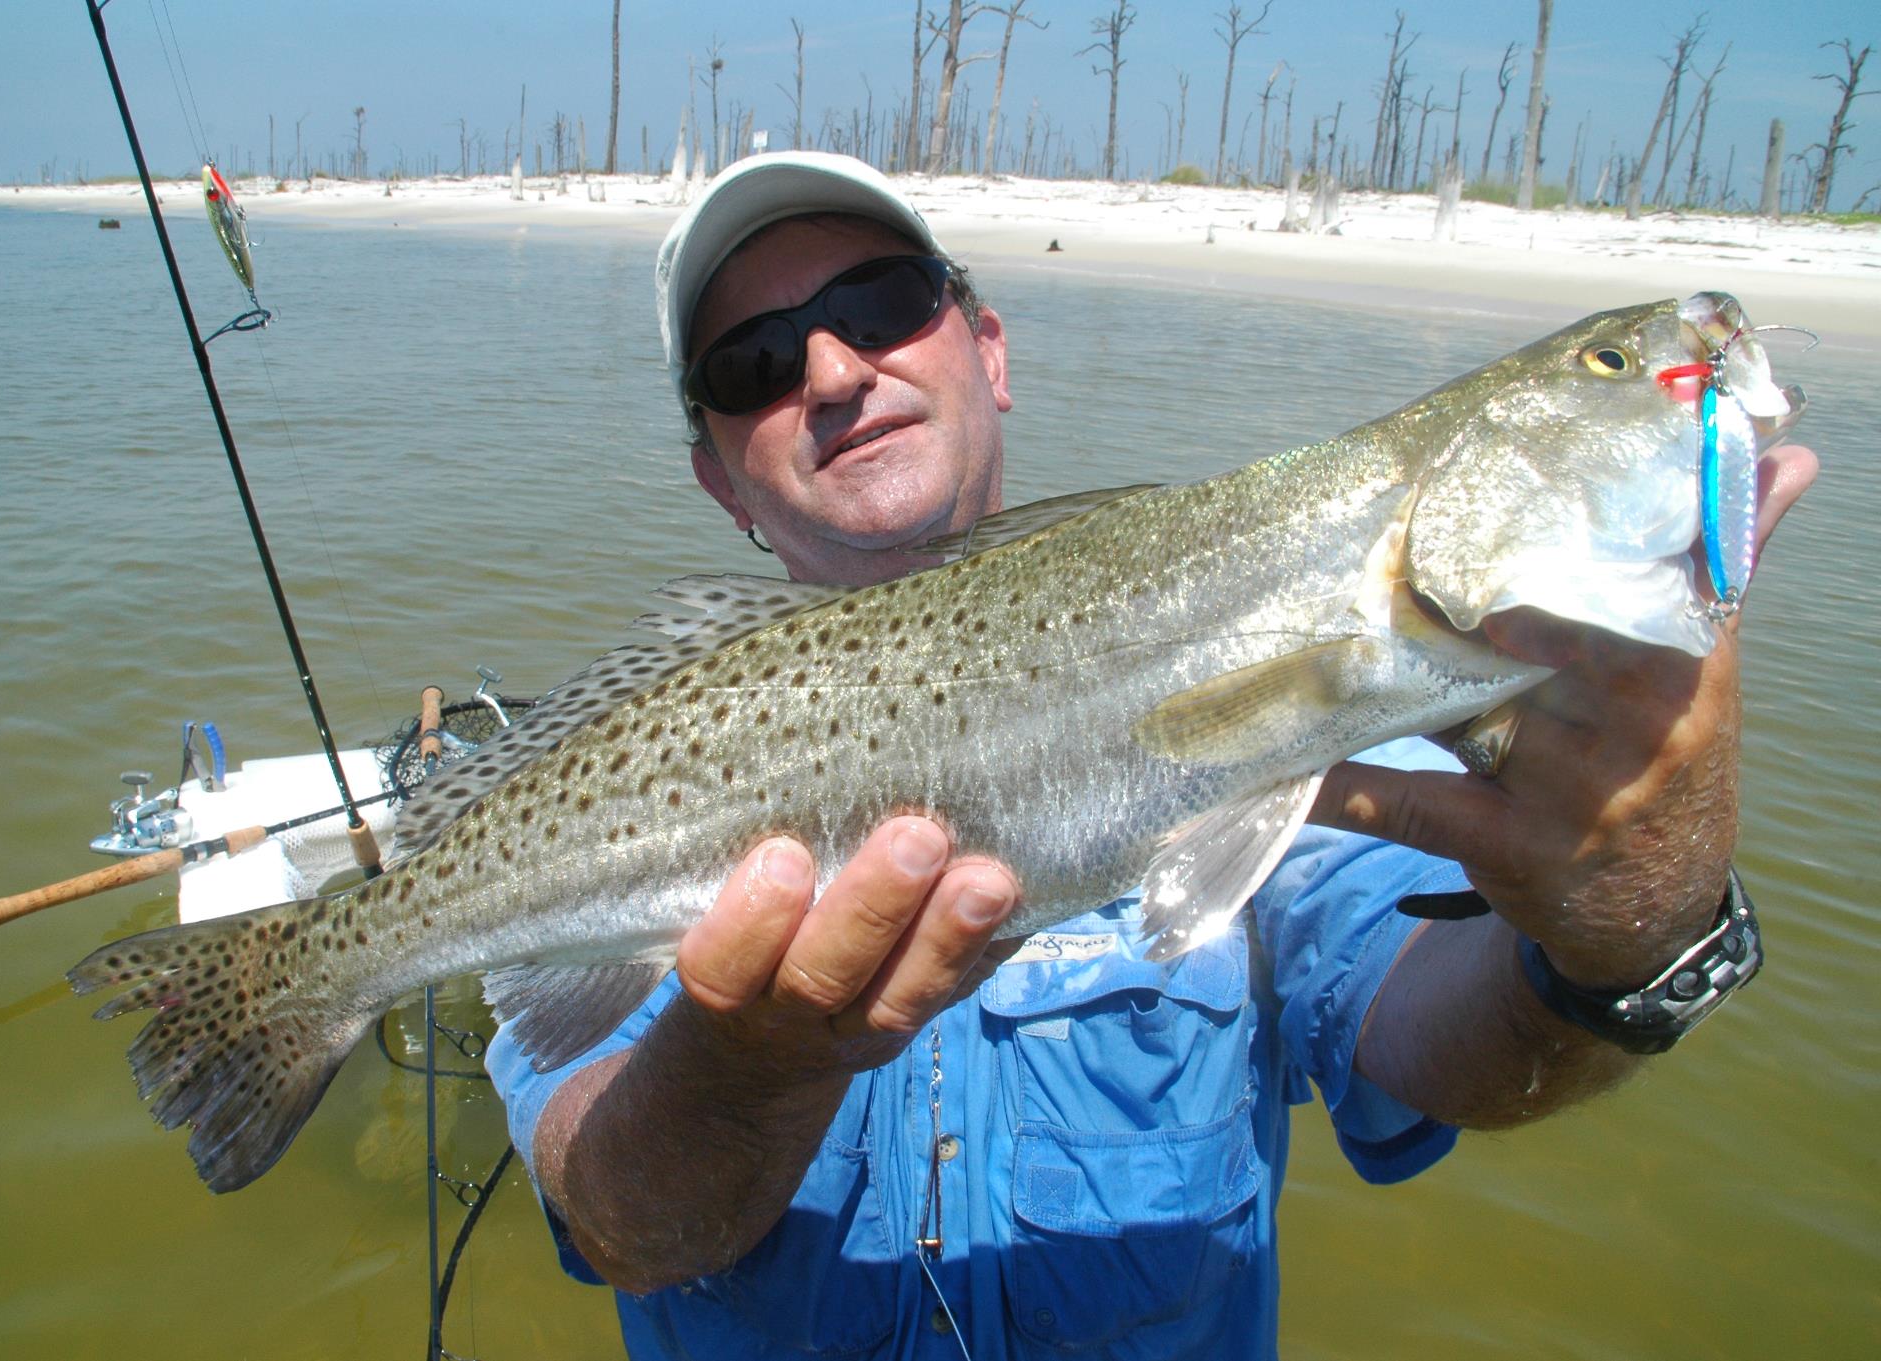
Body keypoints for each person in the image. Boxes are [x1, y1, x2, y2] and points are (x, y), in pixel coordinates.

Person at [486, 152, 1817, 1358]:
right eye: (752, 366)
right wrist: (745, 1065)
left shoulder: (1331, 716)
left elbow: (1434, 1032)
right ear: (717, 476)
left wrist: (1630, 934)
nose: (833, 372)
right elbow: (618, 1224)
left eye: (885, 303)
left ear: (990, 349)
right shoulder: (600, 783)